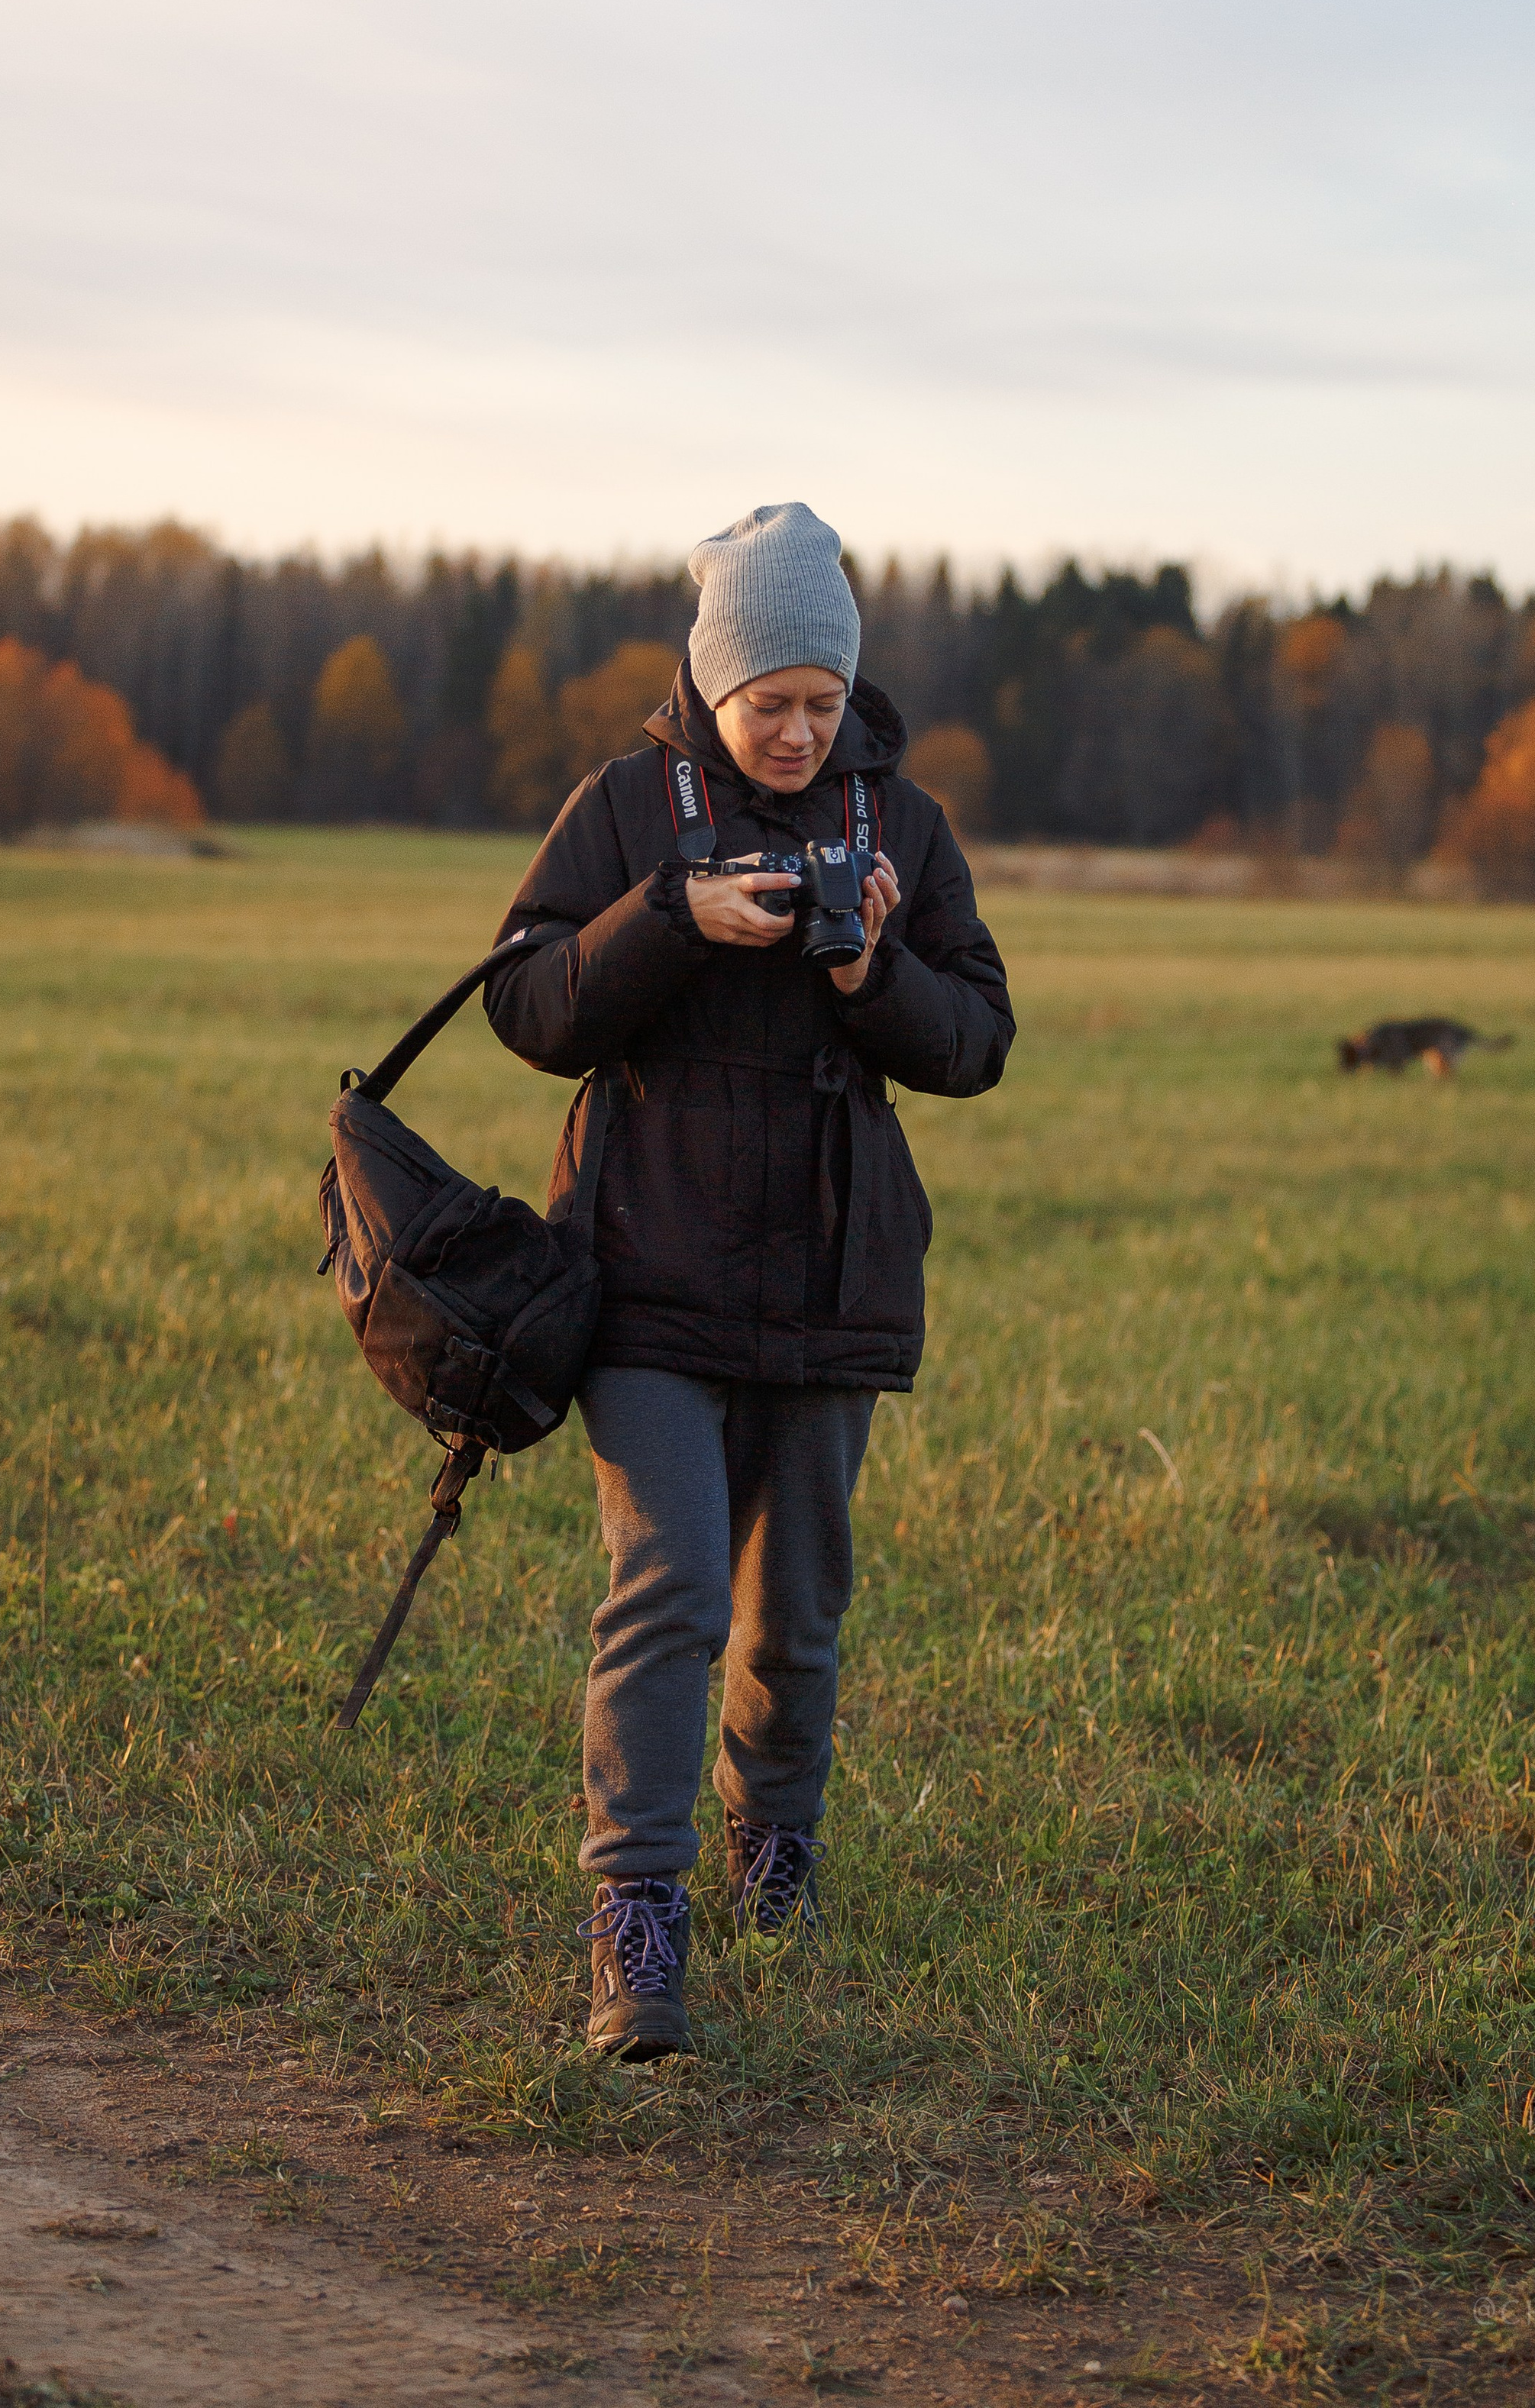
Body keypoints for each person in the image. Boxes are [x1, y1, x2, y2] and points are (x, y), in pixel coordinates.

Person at [483, 502, 1014, 2060]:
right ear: (708, 686)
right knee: (665, 1593)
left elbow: (976, 1040)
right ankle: (634, 1920)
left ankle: (773, 1862)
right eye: (766, 702)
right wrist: (667, 917)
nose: (795, 732)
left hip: (833, 1282)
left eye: (820, 702)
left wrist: (869, 974)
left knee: (794, 1615)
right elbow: (525, 1001)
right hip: (644, 1275)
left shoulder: (901, 825)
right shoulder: (625, 807)